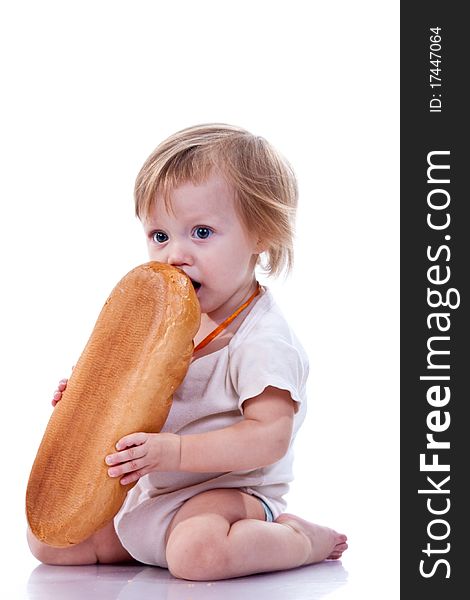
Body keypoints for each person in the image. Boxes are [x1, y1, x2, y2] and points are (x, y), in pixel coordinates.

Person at [28, 123, 348, 580]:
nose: (175, 254)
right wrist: (86, 400)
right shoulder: (159, 327)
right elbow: (135, 400)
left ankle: (299, 539)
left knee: (197, 555)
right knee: (52, 541)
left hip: (228, 494)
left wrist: (174, 453)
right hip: (155, 495)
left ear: (262, 236)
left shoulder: (262, 341)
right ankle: (154, 544)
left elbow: (269, 437)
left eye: (201, 232)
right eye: (159, 236)